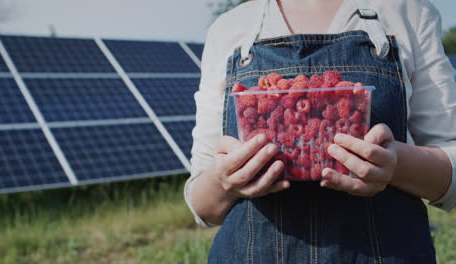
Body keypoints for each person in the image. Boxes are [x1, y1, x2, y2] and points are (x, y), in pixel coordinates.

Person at [185, 0, 456, 262]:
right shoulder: (229, 28)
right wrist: (224, 181)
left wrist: (396, 164)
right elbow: (202, 205)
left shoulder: (407, 13)